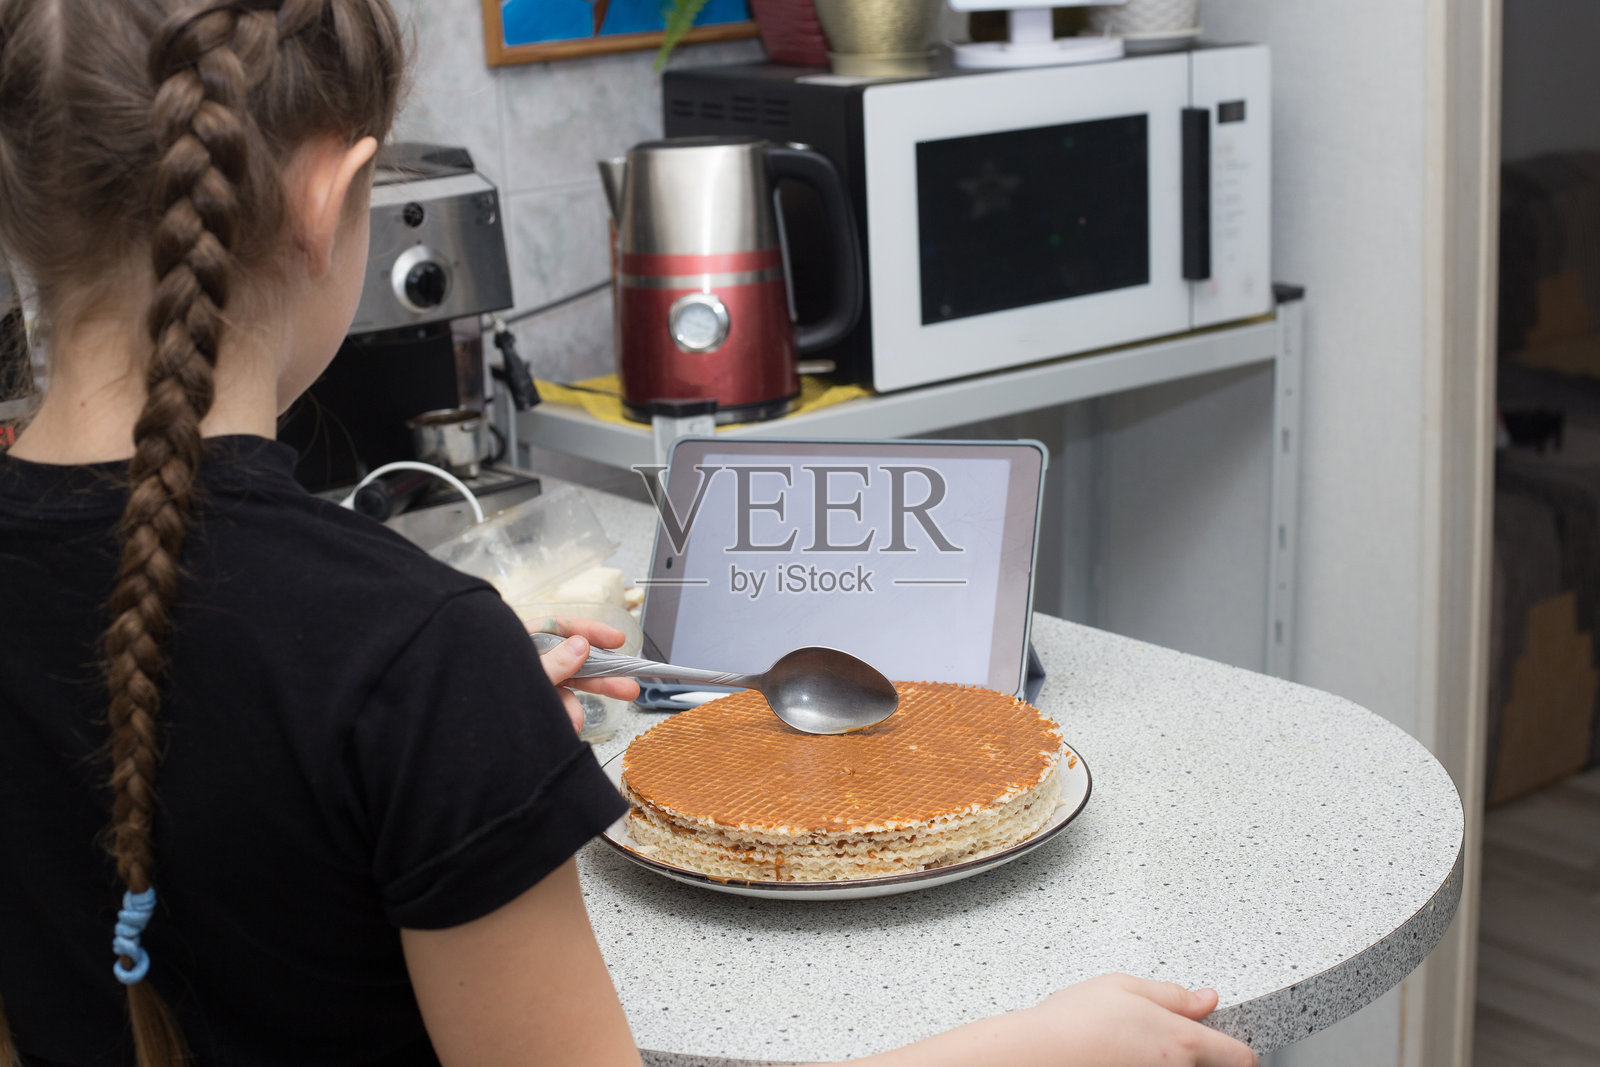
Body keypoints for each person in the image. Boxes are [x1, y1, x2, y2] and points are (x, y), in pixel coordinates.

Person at [0, 3, 1259, 1066]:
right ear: (331, 203)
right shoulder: (414, 655)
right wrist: (1033, 1043)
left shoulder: (415, 661)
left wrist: (461, 743)